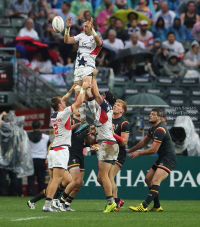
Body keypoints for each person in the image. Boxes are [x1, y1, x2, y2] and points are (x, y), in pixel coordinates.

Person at [42, 81, 91, 212]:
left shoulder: (54, 115)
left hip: (54, 149)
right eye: (63, 103)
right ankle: (47, 205)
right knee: (56, 180)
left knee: (56, 179)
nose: (65, 102)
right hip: (61, 149)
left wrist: (71, 89)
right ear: (59, 105)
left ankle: (50, 203)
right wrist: (83, 89)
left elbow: (61, 100)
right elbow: (79, 103)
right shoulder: (63, 114)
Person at [127, 108, 177, 212]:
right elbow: (144, 142)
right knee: (148, 179)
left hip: (168, 158)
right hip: (163, 158)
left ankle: (144, 206)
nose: (150, 116)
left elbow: (154, 149)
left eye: (153, 114)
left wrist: (138, 153)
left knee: (155, 180)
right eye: (150, 114)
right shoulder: (152, 128)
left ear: (159, 117)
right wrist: (130, 150)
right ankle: (157, 206)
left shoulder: (160, 130)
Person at [64, 17, 103, 128]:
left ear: (92, 27)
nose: (84, 28)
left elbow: (99, 43)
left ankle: (95, 119)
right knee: (78, 95)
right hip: (78, 68)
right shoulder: (81, 36)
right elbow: (67, 40)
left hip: (88, 67)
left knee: (87, 90)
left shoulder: (97, 37)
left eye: (87, 26)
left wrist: (92, 30)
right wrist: (67, 28)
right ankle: (84, 120)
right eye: (84, 26)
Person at [58, 108, 96, 211]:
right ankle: (60, 201)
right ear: (73, 111)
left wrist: (96, 135)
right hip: (71, 153)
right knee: (75, 180)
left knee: (79, 183)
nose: (80, 110)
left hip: (80, 154)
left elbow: (90, 141)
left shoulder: (85, 125)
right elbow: (67, 131)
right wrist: (82, 125)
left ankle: (67, 203)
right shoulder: (71, 121)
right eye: (77, 109)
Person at [92, 70, 119, 213]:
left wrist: (94, 76)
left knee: (104, 176)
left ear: (105, 98)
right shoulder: (106, 109)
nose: (99, 97)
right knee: (104, 176)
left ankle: (111, 202)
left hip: (107, 143)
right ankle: (115, 200)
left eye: (102, 96)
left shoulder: (105, 105)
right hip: (111, 143)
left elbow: (95, 93)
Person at [111, 100, 130, 211]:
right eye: (115, 104)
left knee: (109, 178)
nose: (115, 106)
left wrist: (113, 134)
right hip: (108, 152)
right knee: (101, 179)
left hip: (118, 154)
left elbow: (124, 142)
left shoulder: (124, 123)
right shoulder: (109, 119)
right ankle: (117, 200)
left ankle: (115, 202)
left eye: (118, 105)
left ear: (122, 110)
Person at [0, 112, 23, 196]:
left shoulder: (6, 126)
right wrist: (22, 154)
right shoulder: (18, 129)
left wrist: (1, 114)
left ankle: (1, 192)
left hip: (5, 154)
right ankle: (13, 193)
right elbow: (22, 143)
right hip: (16, 155)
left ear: (6, 120)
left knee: (2, 174)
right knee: (14, 175)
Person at [27, 120, 50, 196]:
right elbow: (49, 148)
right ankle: (41, 195)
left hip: (31, 159)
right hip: (41, 159)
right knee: (41, 178)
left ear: (32, 127)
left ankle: (30, 194)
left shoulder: (28, 137)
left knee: (31, 178)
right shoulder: (46, 137)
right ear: (40, 126)